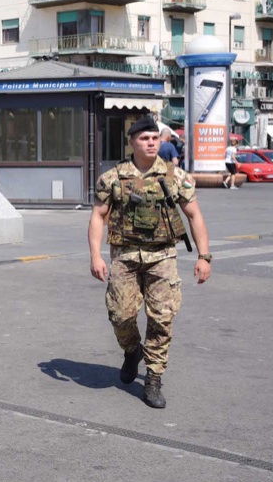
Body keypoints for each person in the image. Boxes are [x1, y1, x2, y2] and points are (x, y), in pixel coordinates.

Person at [88, 116, 212, 409]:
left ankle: (154, 378)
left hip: (163, 258)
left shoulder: (176, 176)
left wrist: (204, 257)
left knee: (162, 319)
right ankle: (132, 350)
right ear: (131, 142)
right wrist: (95, 255)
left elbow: (194, 215)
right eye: (144, 138)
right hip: (125, 256)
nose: (151, 143)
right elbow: (97, 216)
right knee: (120, 315)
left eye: (155, 138)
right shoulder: (113, 177)